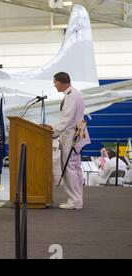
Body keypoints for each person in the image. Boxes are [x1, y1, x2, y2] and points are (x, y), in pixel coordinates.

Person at [50, 72, 91, 210]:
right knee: (75, 168)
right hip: (76, 134)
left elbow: (67, 118)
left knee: (70, 169)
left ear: (61, 82)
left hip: (71, 136)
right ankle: (77, 199)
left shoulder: (71, 95)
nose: (54, 85)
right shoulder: (75, 93)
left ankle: (74, 200)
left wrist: (54, 133)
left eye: (55, 82)